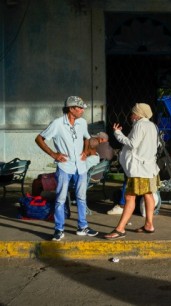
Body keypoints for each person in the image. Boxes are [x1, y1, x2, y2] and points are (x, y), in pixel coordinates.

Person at [35, 96, 98, 241]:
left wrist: (86, 151)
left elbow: (87, 137)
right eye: (79, 108)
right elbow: (39, 138)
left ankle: (82, 226)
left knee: (82, 197)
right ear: (71, 109)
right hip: (65, 166)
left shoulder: (82, 122)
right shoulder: (57, 124)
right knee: (60, 198)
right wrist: (53, 154)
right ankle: (59, 229)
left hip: (80, 167)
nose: (82, 110)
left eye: (83, 108)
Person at [105, 103, 160, 240]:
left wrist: (118, 134)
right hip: (148, 167)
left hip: (138, 169)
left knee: (129, 197)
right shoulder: (152, 126)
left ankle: (120, 229)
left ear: (138, 114)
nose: (131, 116)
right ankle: (149, 224)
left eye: (133, 113)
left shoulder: (140, 125)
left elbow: (132, 144)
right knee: (148, 194)